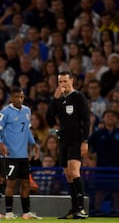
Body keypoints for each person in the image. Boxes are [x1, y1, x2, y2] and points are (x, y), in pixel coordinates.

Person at [0, 87, 42, 220]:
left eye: (21, 97)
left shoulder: (27, 111)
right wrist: (1, 144)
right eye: (16, 97)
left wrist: (33, 143)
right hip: (10, 155)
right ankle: (8, 213)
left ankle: (26, 212)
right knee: (11, 184)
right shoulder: (5, 112)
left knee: (26, 184)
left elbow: (26, 130)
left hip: (23, 156)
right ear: (11, 97)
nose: (19, 99)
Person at [46, 71, 90, 219]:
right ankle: (74, 208)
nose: (62, 84)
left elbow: (86, 120)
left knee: (74, 171)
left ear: (72, 80)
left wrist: (85, 141)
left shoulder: (78, 97)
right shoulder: (58, 99)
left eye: (65, 81)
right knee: (68, 176)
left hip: (76, 139)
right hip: (63, 140)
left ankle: (81, 209)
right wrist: (55, 99)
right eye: (60, 82)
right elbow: (49, 119)